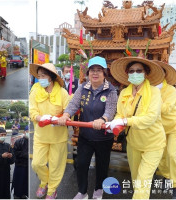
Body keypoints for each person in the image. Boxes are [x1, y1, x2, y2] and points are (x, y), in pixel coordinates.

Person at [57, 56, 118, 199]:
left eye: (99, 70)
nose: (95, 73)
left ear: (104, 73)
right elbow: (73, 104)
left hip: (103, 137)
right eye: (92, 70)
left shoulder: (111, 90)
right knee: (81, 164)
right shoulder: (82, 88)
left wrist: (103, 119)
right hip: (85, 136)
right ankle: (82, 192)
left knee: (102, 166)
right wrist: (66, 115)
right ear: (88, 73)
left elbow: (111, 109)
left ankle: (98, 190)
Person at [108, 56, 166, 199]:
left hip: (153, 144)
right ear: (128, 74)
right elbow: (120, 114)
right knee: (136, 182)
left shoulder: (154, 92)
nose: (135, 74)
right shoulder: (124, 93)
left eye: (139, 70)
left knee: (142, 183)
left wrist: (125, 121)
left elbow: (150, 118)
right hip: (133, 144)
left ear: (145, 73)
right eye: (131, 71)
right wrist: (114, 124)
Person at [29, 63, 70, 199]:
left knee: (55, 165)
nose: (40, 79)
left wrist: (61, 118)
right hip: (41, 135)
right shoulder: (35, 91)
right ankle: (44, 182)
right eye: (39, 76)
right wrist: (41, 117)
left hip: (58, 137)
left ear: (51, 78)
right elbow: (32, 111)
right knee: (37, 163)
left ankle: (52, 190)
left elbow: (69, 112)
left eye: (43, 76)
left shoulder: (63, 93)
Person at [153, 60, 176, 198]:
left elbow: (166, 108)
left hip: (173, 127)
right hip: (158, 129)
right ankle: (166, 177)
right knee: (161, 158)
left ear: (164, 73)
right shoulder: (149, 88)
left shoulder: (171, 90)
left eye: (160, 70)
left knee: (172, 155)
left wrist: (154, 98)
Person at [12, 132, 29, 198]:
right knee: (19, 180)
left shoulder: (33, 141)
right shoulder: (19, 141)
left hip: (28, 165)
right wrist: (24, 154)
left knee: (25, 180)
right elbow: (15, 152)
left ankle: (24, 194)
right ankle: (17, 194)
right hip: (20, 165)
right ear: (25, 132)